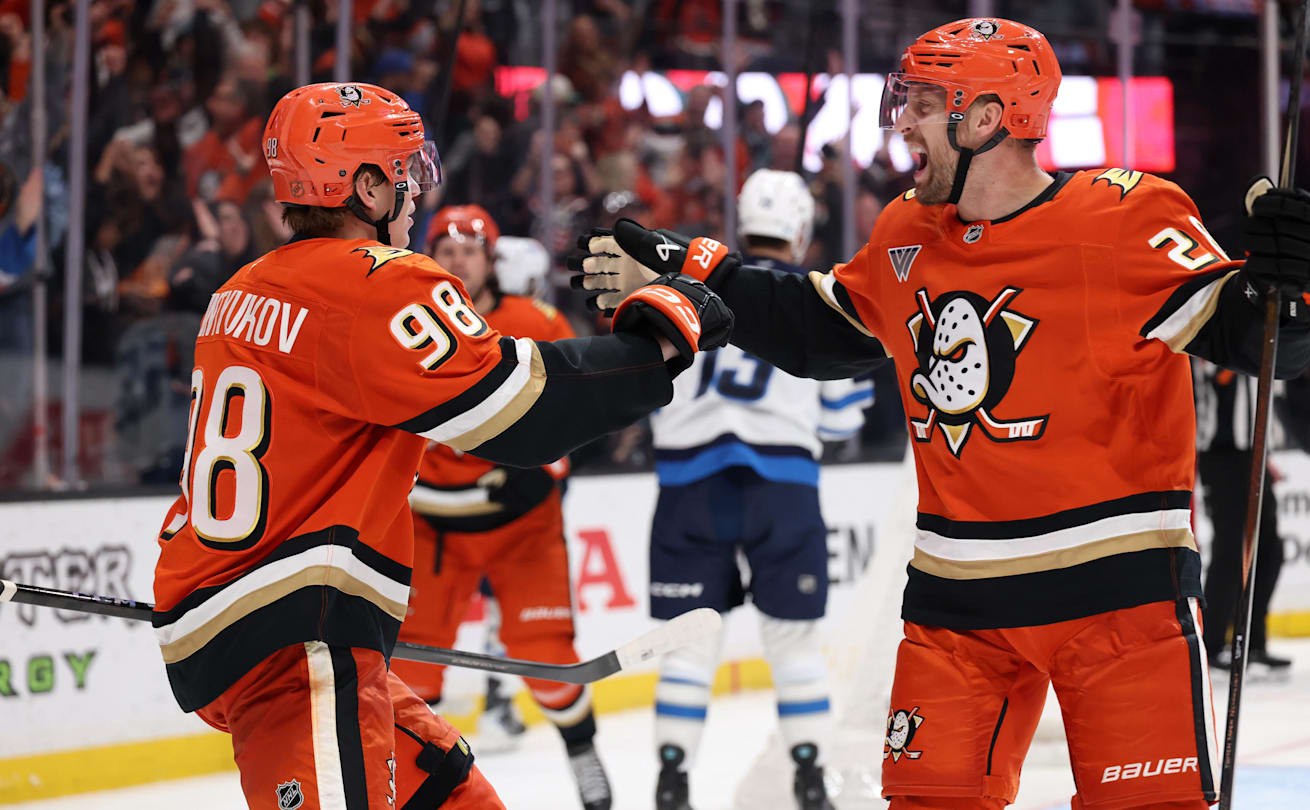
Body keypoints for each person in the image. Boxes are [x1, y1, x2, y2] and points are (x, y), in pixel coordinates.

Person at [574, 18, 1310, 809]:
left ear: (986, 119)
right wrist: (695, 272)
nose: (901, 122)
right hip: (958, 602)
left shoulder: (1125, 216)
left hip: (1121, 597)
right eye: (903, 100)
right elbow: (819, 329)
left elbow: (1262, 336)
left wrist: (1301, 279)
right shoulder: (906, 229)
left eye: (922, 103)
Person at [151, 82, 733, 810]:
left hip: (249, 615)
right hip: (297, 646)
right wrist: (663, 337)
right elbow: (528, 415)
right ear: (365, 188)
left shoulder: (240, 290)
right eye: (402, 172)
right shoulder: (373, 284)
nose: (414, 192)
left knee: (459, 796)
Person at [646, 170, 873, 810]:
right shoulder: (819, 300)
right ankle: (810, 780)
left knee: (687, 650)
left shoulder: (680, 290)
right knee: (794, 647)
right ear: (799, 232)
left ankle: (672, 782)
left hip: (688, 488)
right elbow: (842, 421)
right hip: (784, 488)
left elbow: (641, 391)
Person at [390, 205, 613, 810]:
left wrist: (546, 471)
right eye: (447, 249)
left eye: (470, 249)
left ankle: (582, 751)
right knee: (410, 672)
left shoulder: (533, 321)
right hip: (431, 528)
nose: (459, 259)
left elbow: (580, 405)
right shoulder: (400, 322)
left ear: (491, 259)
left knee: (546, 658)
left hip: (522, 525)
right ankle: (410, 786)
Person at [1191, 359, 1292, 672]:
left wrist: (1265, 456)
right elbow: (1219, 375)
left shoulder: (1258, 342)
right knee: (1231, 550)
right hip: (1222, 456)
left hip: (1253, 454)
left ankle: (1251, 642)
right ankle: (1212, 644)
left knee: (1270, 549)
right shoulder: (1223, 342)